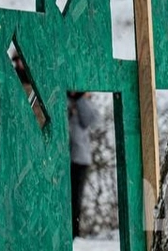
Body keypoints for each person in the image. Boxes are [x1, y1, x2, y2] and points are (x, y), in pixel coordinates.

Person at [68, 91, 100, 238]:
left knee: (76, 199)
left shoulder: (84, 101)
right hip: (64, 158)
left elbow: (92, 120)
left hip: (79, 158)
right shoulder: (62, 97)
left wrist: (80, 98)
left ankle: (74, 234)